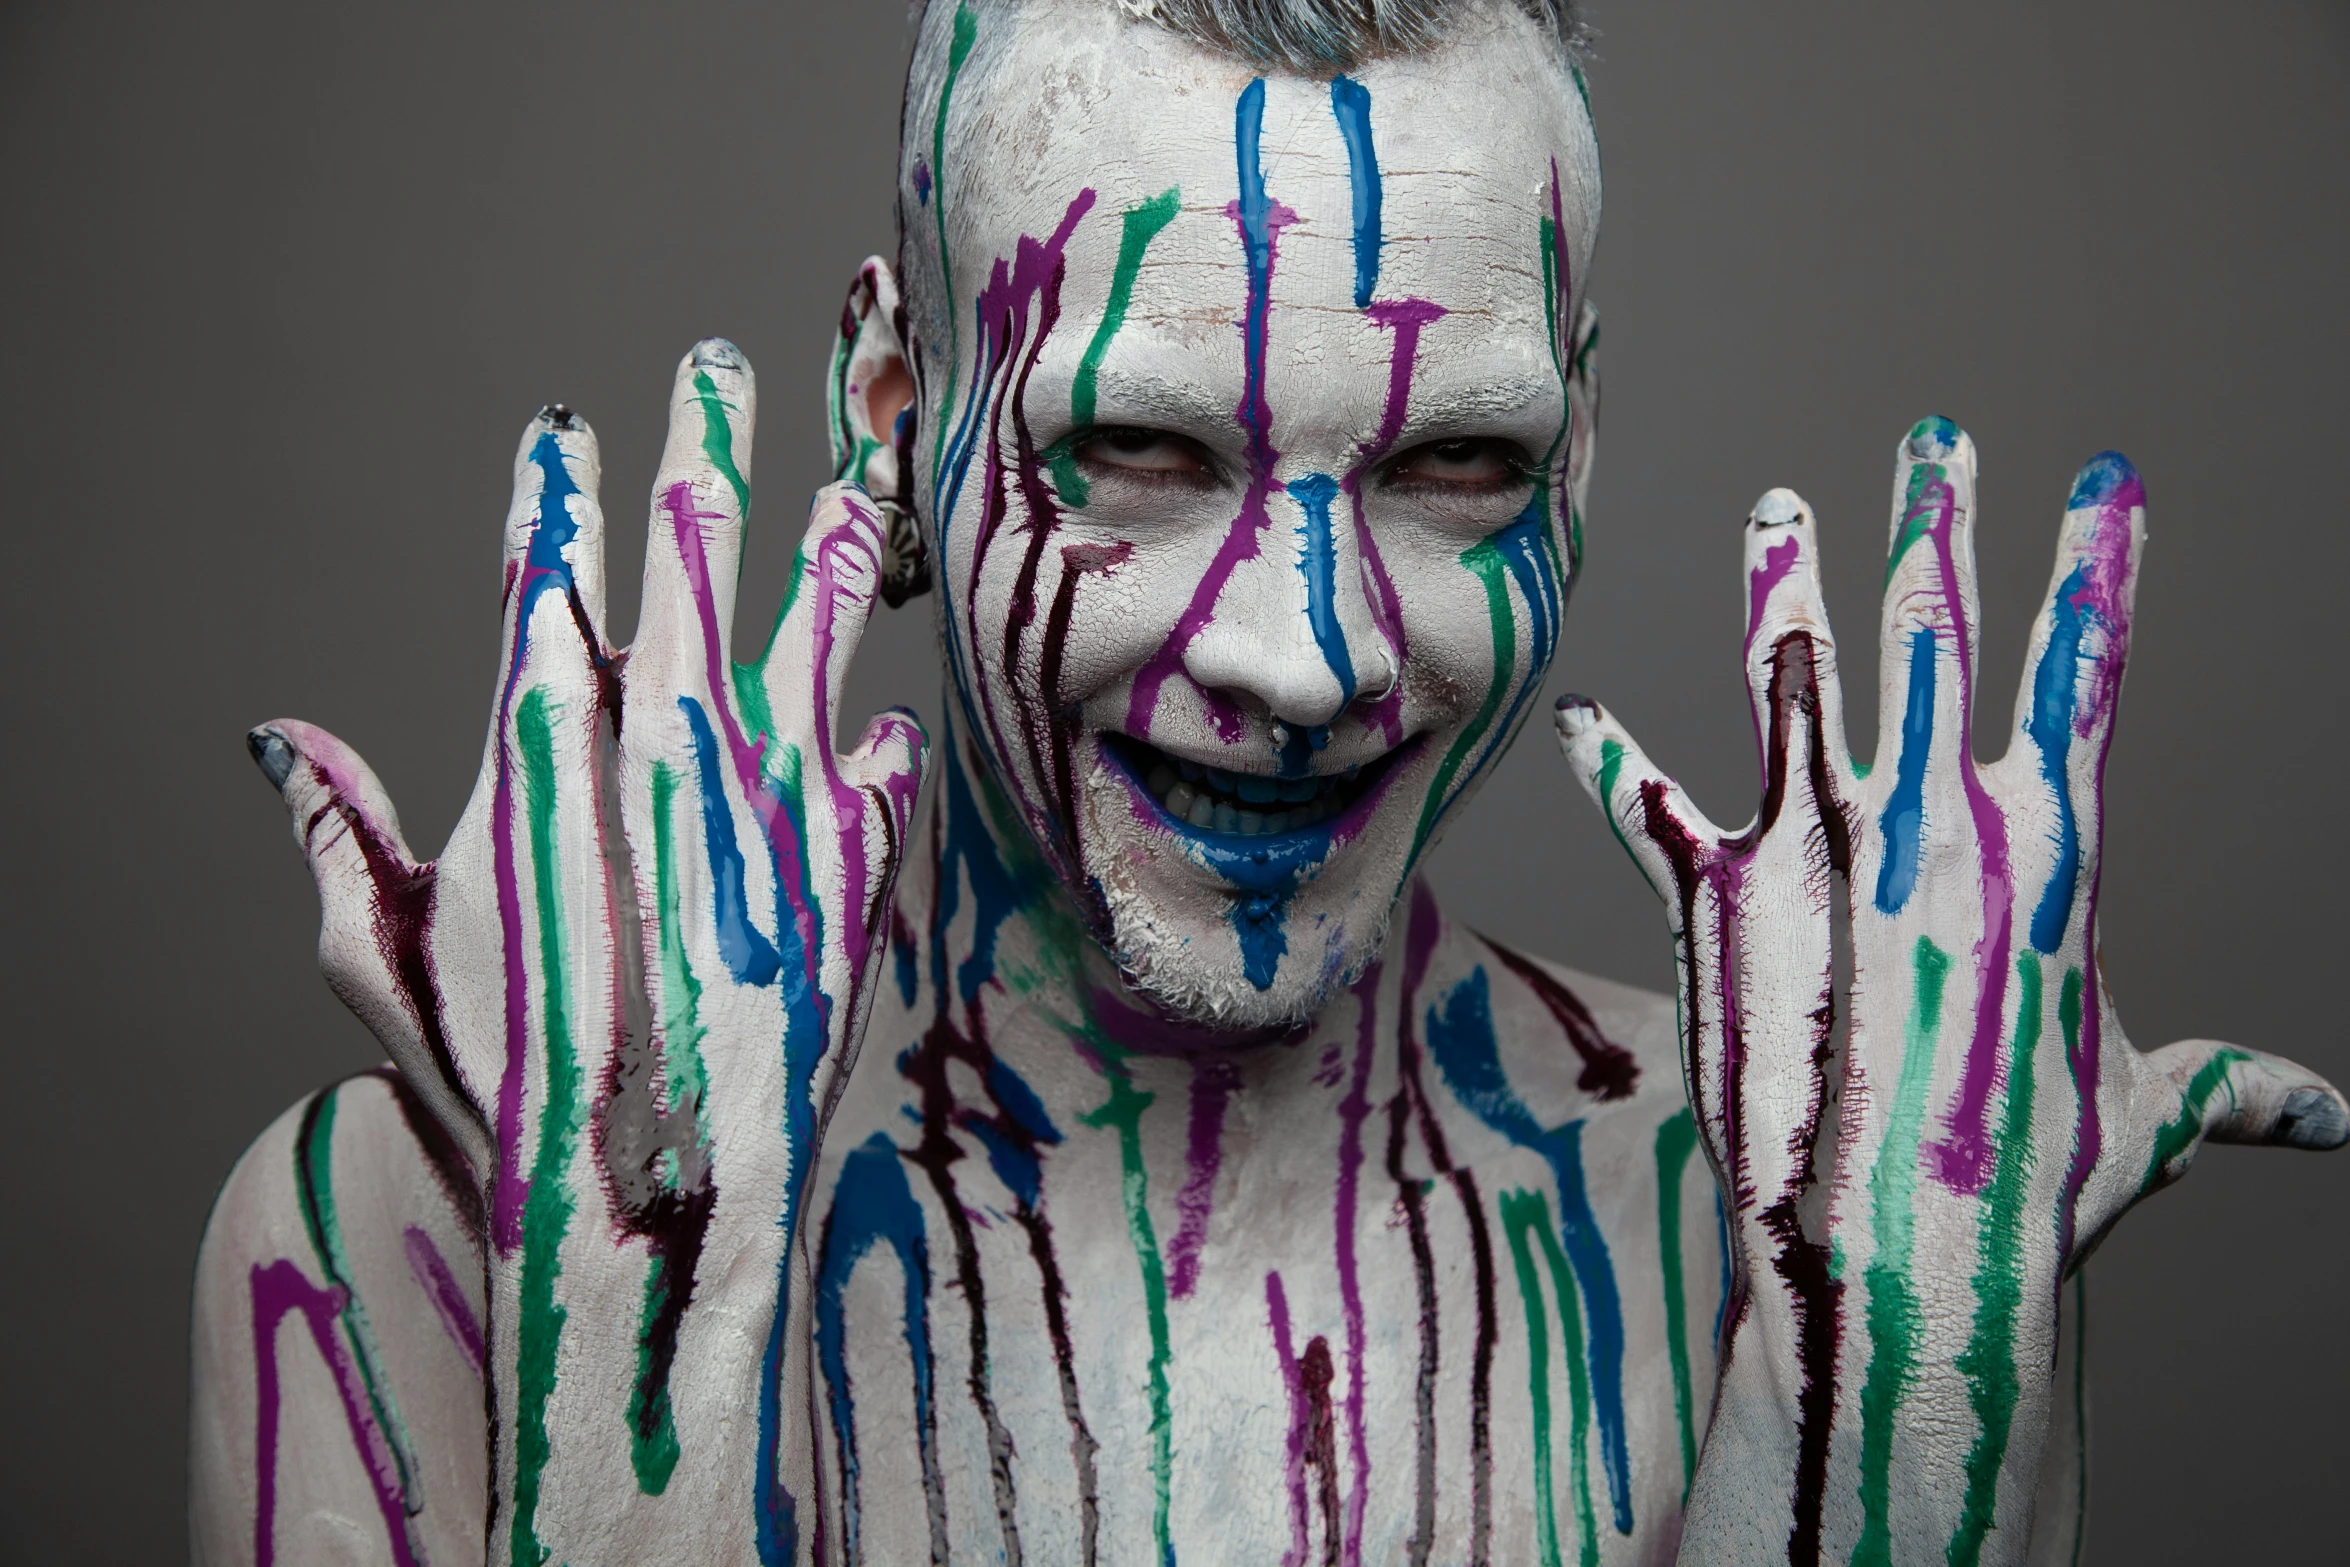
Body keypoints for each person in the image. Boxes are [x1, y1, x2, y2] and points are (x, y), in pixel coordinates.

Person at [188, 0, 2347, 1562]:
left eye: (1449, 464)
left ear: (1577, 462)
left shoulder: (1824, 1214)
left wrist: (1884, 1426)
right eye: (1134, 453)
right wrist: (630, 1351)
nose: (1304, 656)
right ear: (888, 407)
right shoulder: (424, 1231)